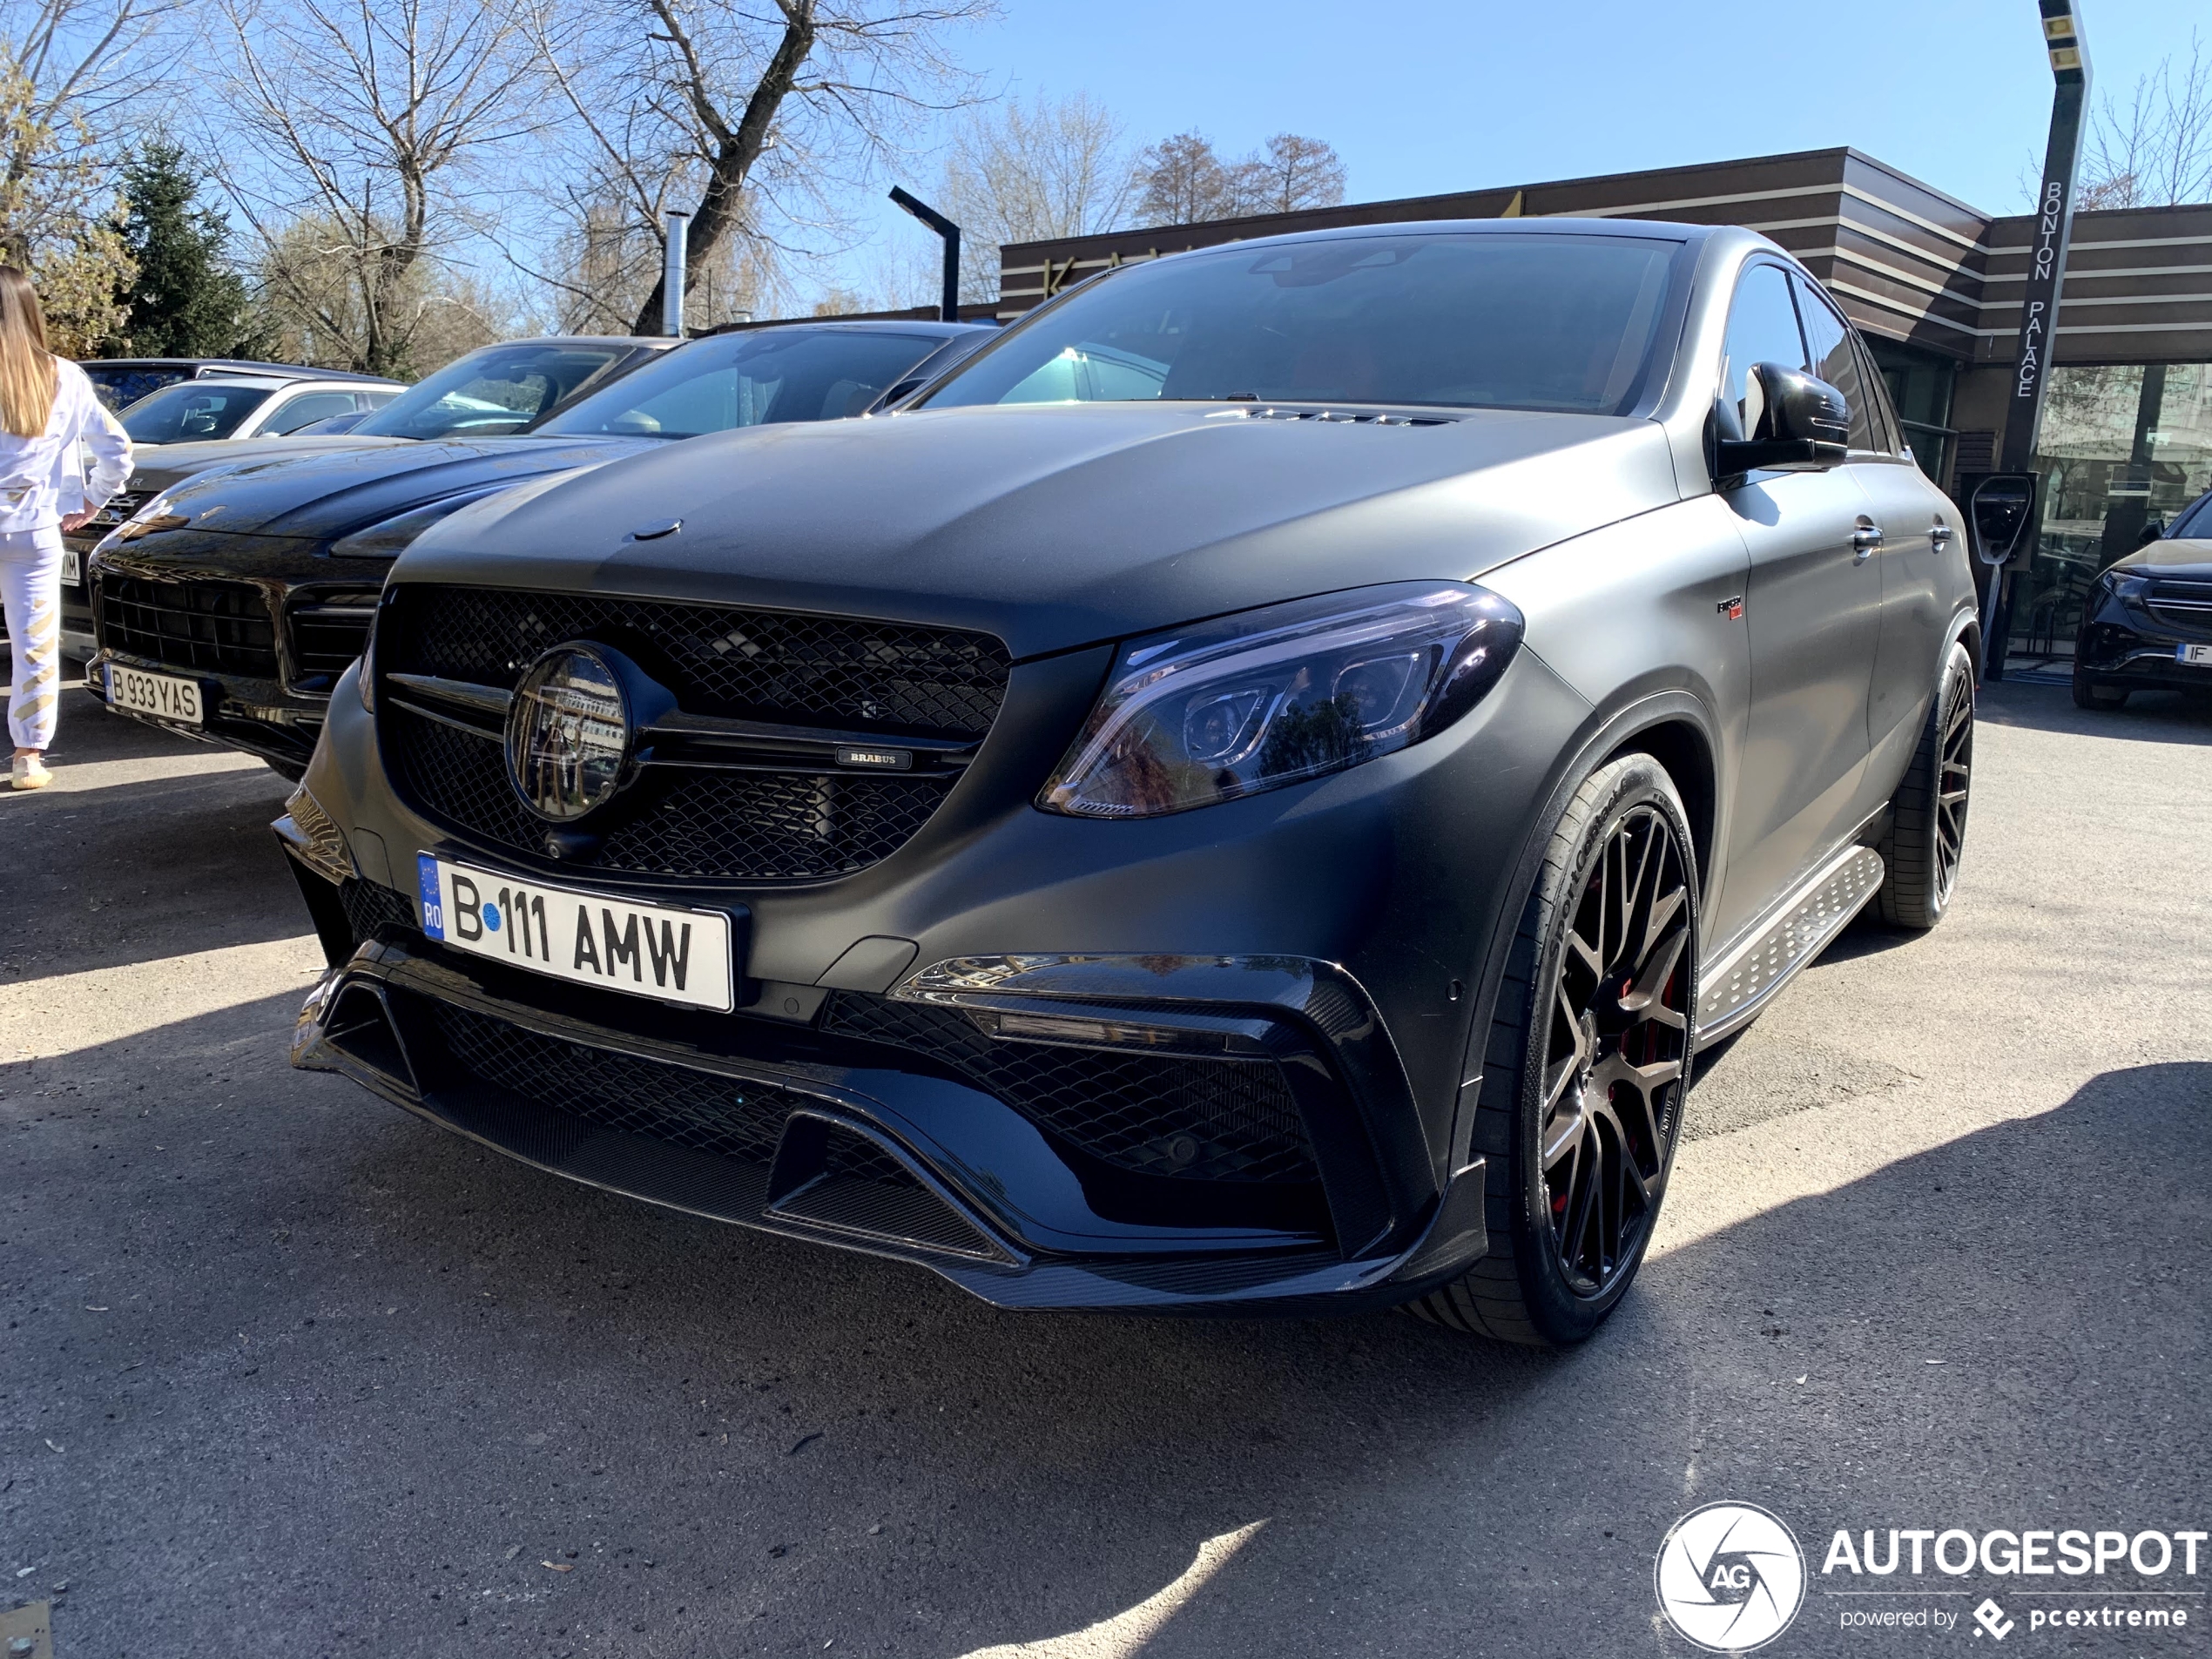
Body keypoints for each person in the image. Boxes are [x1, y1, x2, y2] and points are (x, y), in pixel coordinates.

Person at [0, 266, 130, 788]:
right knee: (35, 642)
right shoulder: (64, 377)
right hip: (34, 528)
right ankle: (28, 755)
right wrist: (94, 499)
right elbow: (116, 452)